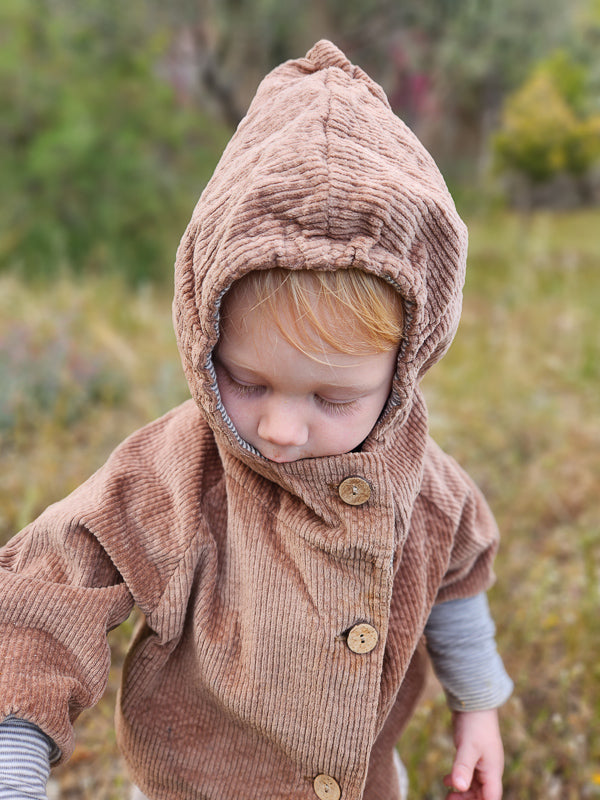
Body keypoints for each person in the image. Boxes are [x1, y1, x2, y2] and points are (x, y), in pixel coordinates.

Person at [0, 40, 512, 800]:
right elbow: (50, 589)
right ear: (207, 340)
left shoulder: (427, 484)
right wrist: (16, 754)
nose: (279, 428)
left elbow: (458, 580)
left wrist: (479, 710)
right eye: (246, 380)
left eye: (331, 399)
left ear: (404, 370)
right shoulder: (175, 477)